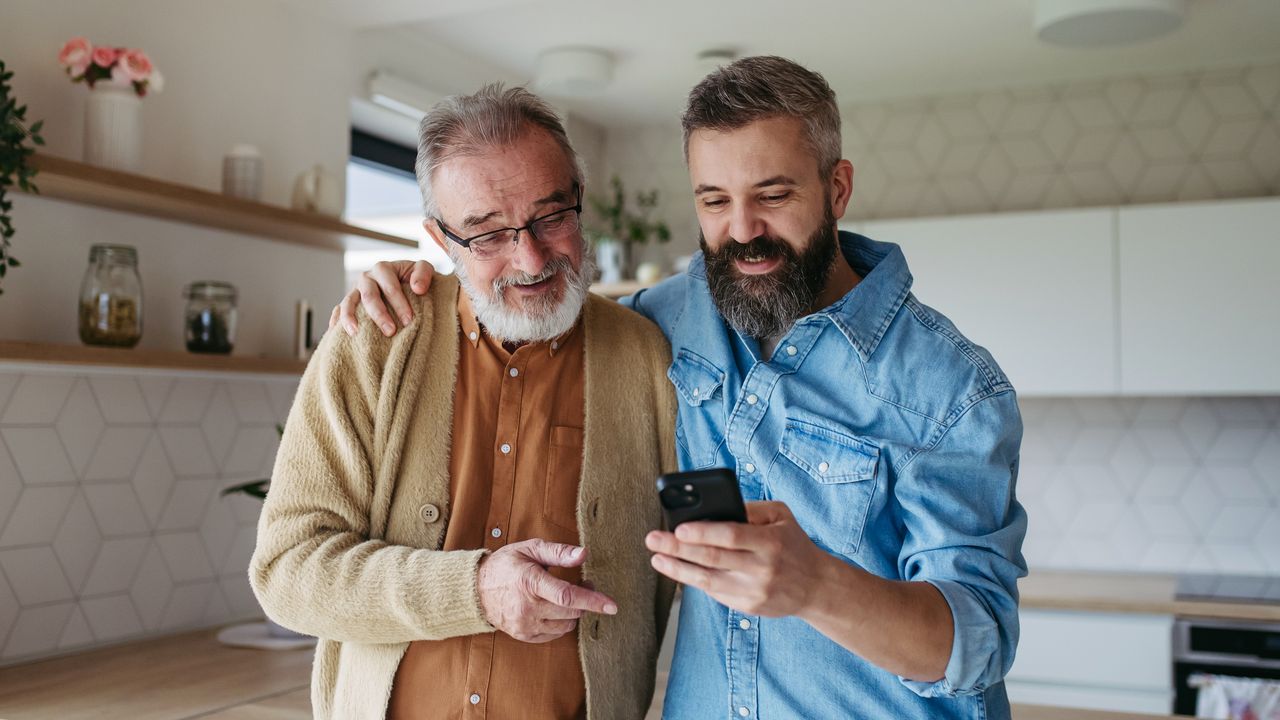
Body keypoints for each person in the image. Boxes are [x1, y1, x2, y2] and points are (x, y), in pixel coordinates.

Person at [334, 56, 1028, 720]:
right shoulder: (658, 324)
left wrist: (818, 585)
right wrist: (415, 282)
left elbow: (980, 643)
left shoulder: (951, 386)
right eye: (714, 200)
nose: (743, 231)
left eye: (774, 195)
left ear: (837, 188)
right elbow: (525, 294)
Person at [251, 84, 677, 720]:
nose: (529, 256)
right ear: (439, 238)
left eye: (551, 217)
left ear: (579, 202)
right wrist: (474, 590)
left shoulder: (647, 357)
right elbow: (288, 572)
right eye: (486, 234)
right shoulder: (372, 343)